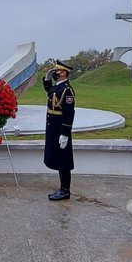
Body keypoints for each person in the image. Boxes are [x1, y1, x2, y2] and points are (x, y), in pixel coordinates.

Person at [43, 60, 76, 201]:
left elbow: (69, 113)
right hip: (53, 127)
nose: (55, 73)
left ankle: (65, 190)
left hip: (60, 128)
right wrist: (47, 79)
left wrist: (65, 134)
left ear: (63, 73)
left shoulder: (67, 90)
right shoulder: (59, 87)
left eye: (57, 71)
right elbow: (49, 91)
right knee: (58, 157)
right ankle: (62, 188)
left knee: (64, 160)